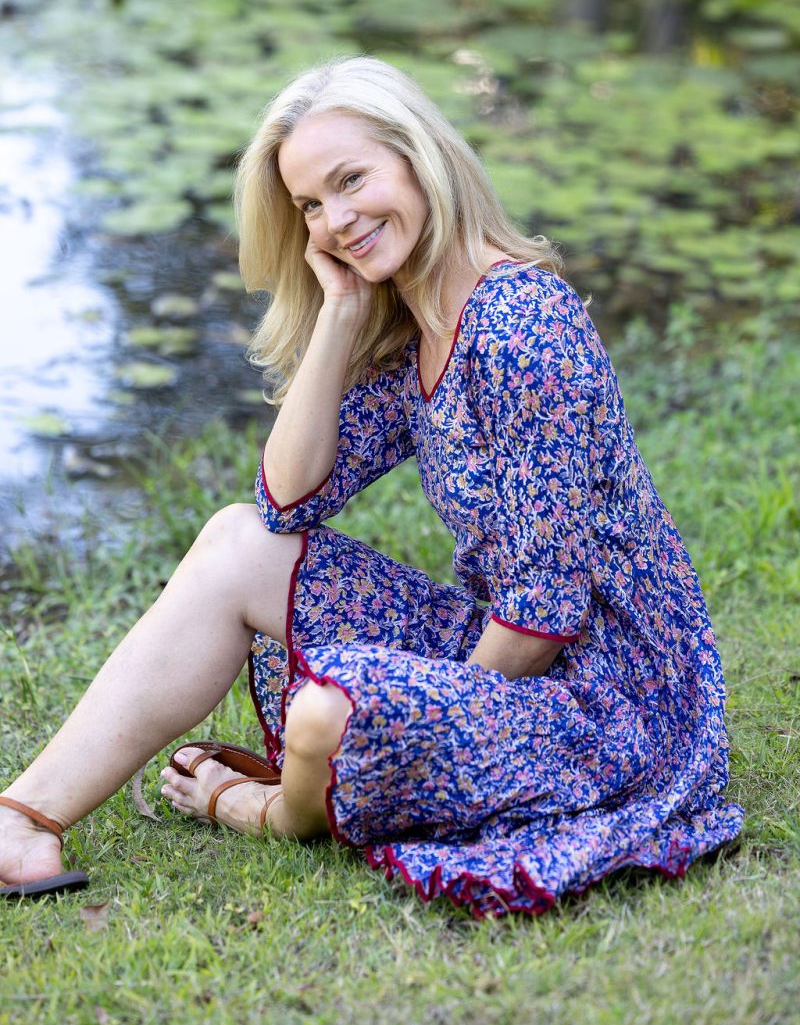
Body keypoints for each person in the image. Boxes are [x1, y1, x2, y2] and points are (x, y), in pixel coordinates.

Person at [0, 56, 743, 916]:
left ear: (420, 157)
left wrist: (440, 712)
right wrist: (342, 315)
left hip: (617, 708)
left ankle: (274, 812)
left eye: (352, 181)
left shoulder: (521, 323)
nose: (336, 222)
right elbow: (286, 500)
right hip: (523, 663)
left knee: (327, 718)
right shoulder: (424, 320)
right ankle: (22, 818)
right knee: (240, 540)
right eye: (311, 205)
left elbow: (545, 606)